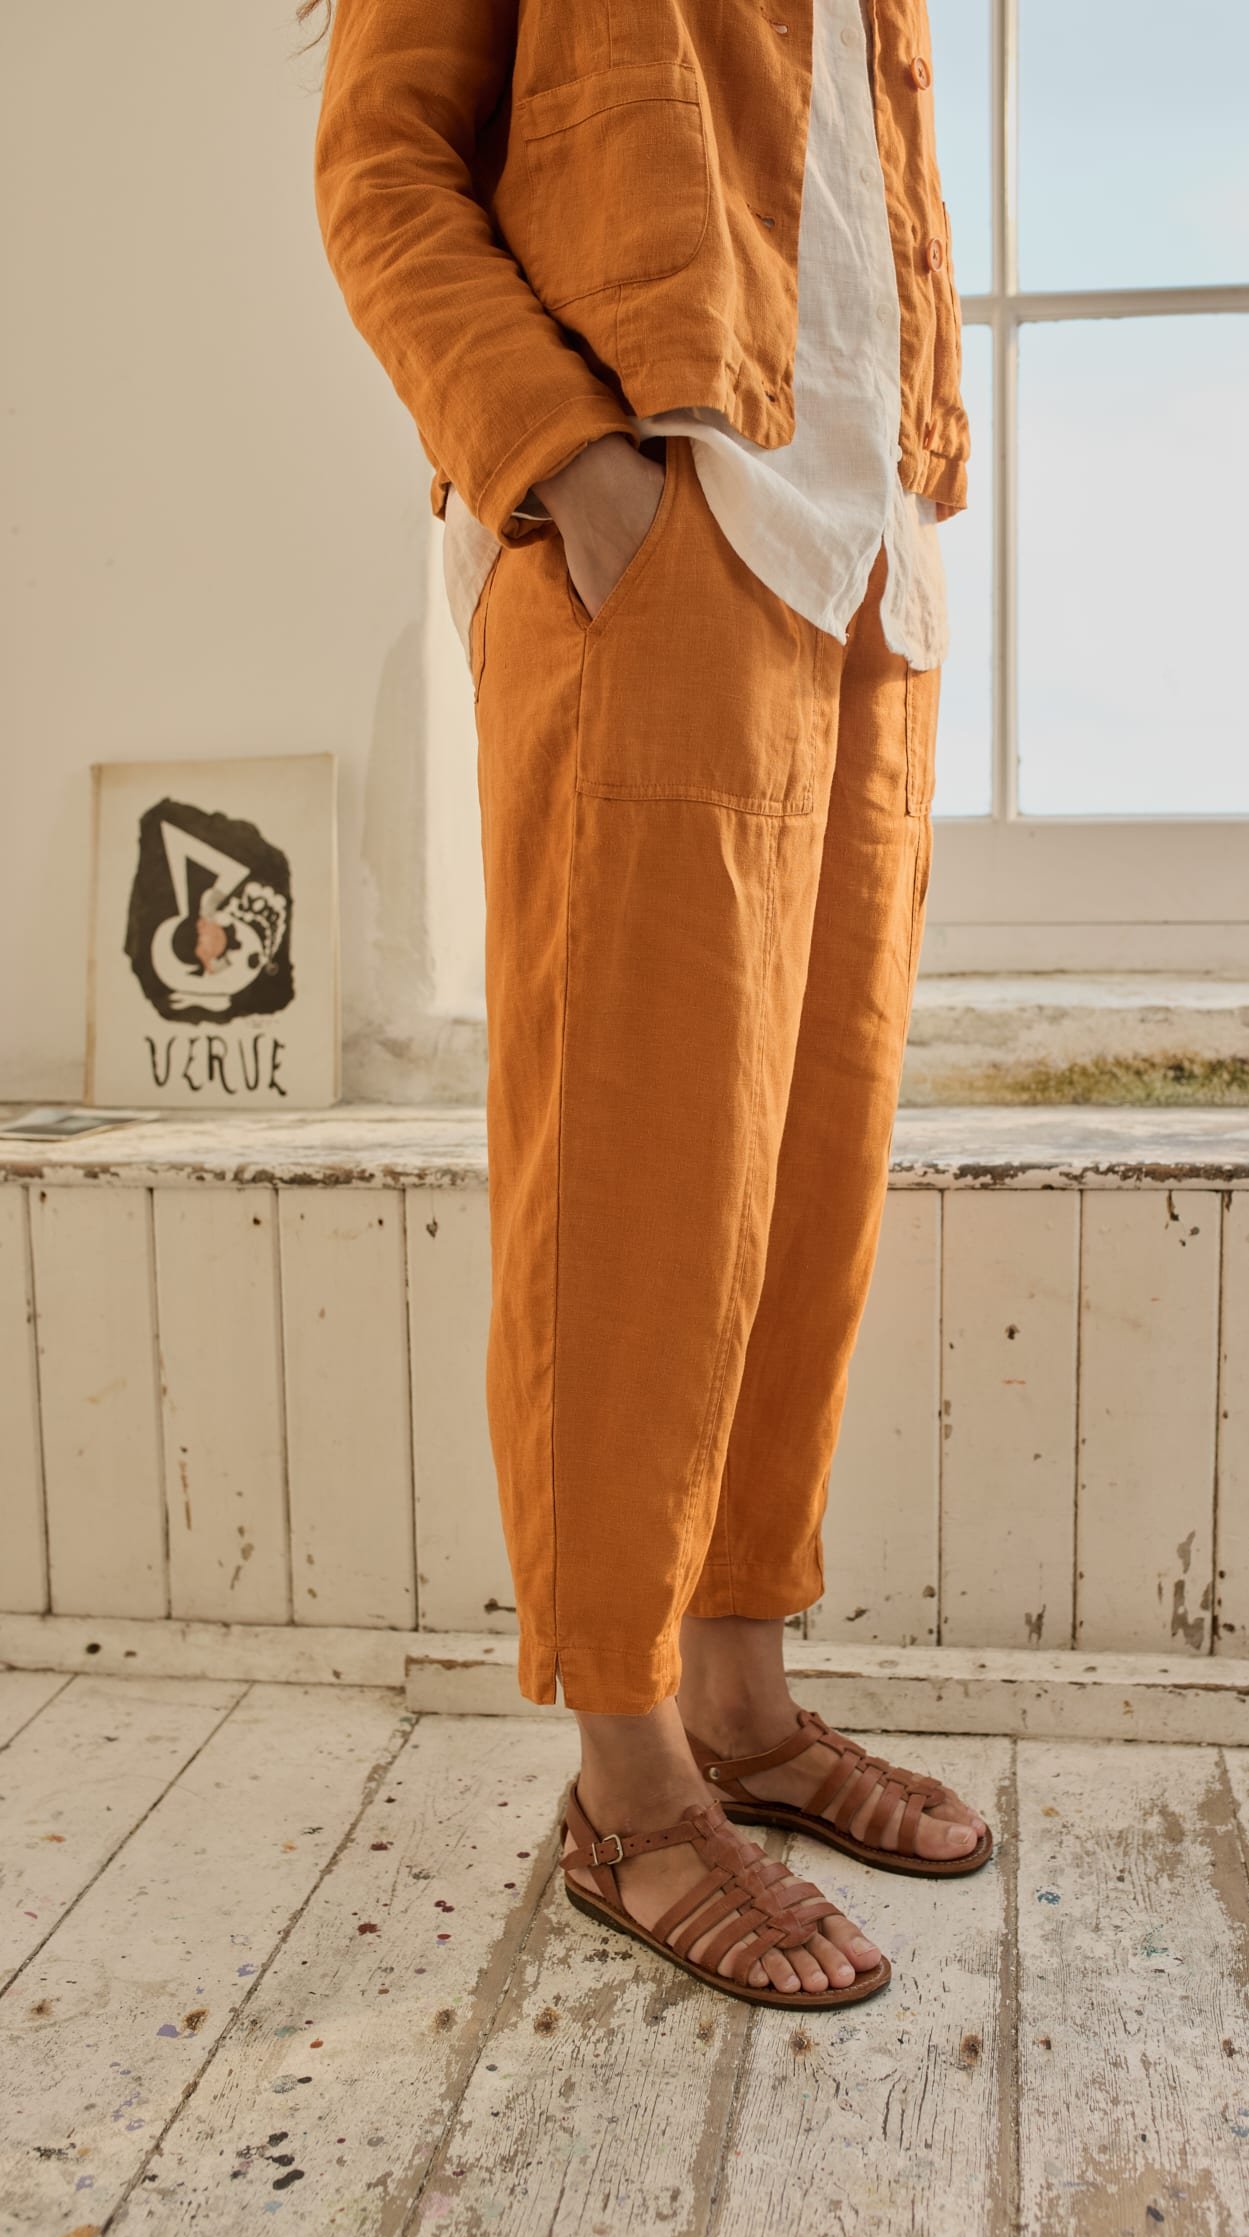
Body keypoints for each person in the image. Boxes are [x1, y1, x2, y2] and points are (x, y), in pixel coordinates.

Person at [309, 0, 991, 2010]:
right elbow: (380, 171)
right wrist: (571, 467)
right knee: (635, 1186)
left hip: (867, 577)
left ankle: (744, 1707)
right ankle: (628, 1776)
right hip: (666, 535)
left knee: (804, 1190)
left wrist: (913, 488)